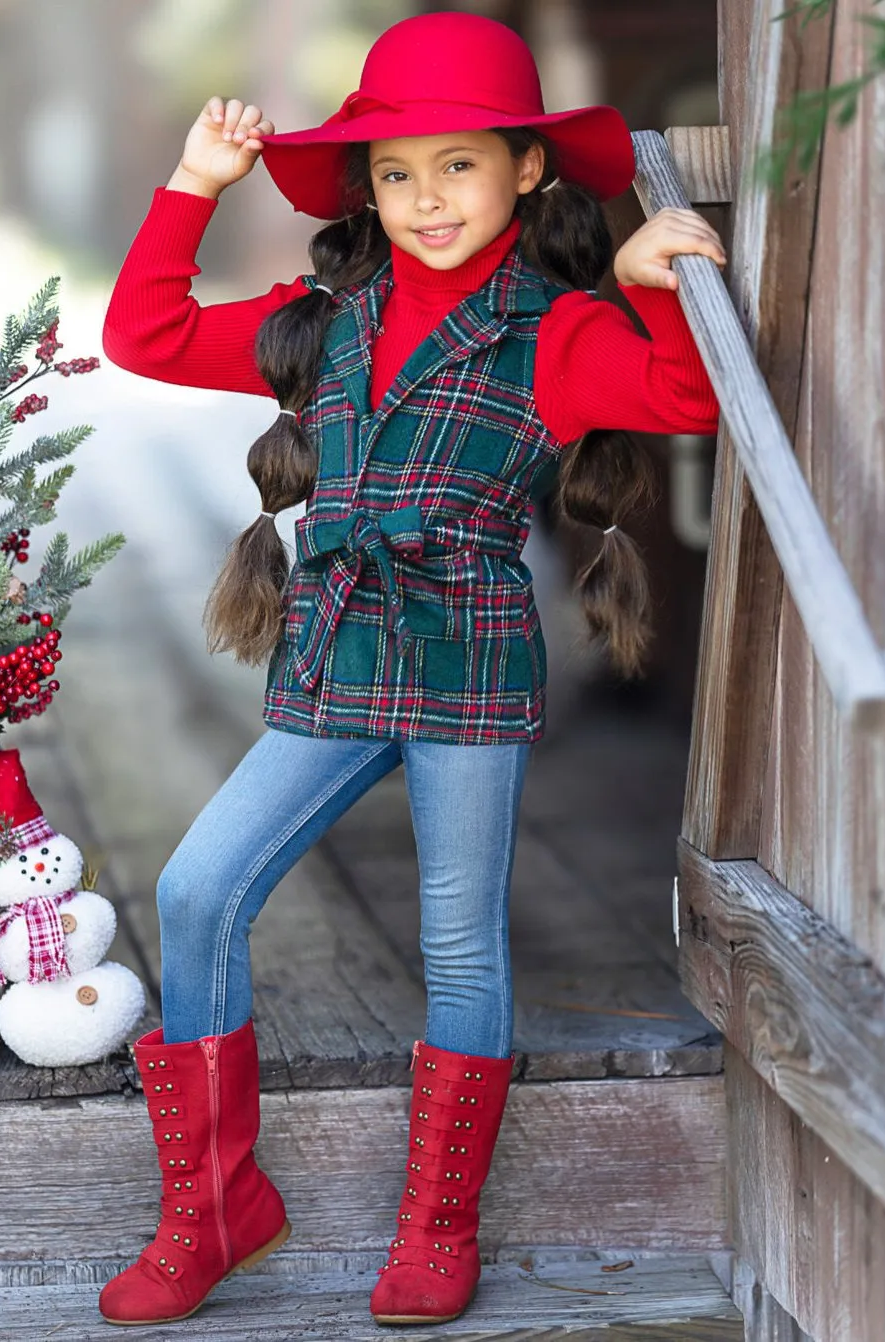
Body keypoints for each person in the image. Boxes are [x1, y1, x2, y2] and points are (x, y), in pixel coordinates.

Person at [97, 10, 725, 1330]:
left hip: (467, 666)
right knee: (200, 884)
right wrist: (192, 186)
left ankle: (438, 1227)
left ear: (526, 172)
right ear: (364, 193)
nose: (425, 200)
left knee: (456, 939)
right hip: (337, 649)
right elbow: (146, 336)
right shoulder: (317, 323)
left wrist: (654, 287)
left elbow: (680, 402)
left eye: (457, 166)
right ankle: (213, 1207)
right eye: (394, 174)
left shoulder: (552, 334)